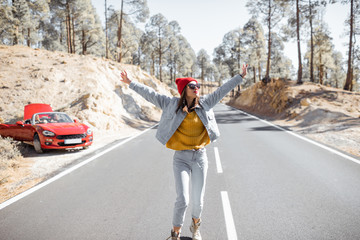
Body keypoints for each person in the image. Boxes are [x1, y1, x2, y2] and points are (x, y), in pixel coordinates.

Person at [120, 64, 247, 240]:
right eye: (193, 86)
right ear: (184, 90)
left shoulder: (205, 103)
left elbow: (222, 90)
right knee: (183, 199)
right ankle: (175, 234)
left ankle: (195, 227)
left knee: (198, 201)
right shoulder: (171, 104)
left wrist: (240, 76)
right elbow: (151, 94)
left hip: (200, 157)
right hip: (181, 158)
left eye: (198, 86)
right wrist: (131, 83)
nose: (197, 89)